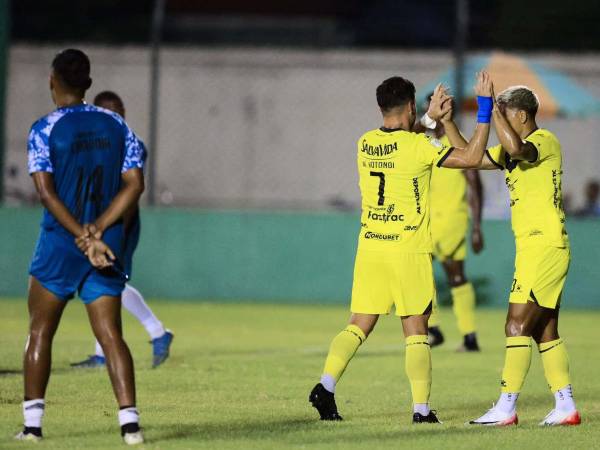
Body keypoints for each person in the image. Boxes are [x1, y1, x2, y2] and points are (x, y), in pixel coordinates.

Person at [308, 72, 494, 423]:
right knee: (417, 328)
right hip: (408, 249)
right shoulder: (420, 147)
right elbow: (471, 158)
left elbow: (401, 139)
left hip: (371, 247)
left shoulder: (365, 143)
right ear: (411, 106)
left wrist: (429, 119)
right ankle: (421, 411)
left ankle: (325, 386)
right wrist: (483, 107)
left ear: (382, 107)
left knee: (358, 324)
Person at [16, 49, 145, 444]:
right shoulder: (116, 123)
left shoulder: (44, 129)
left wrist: (80, 236)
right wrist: (98, 232)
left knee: (40, 331)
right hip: (106, 243)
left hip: (60, 243)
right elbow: (135, 185)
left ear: (52, 81)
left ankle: (33, 427)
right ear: (88, 83)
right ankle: (130, 426)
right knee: (111, 335)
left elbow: (46, 194)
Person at [441, 85, 580, 426]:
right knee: (544, 331)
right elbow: (471, 157)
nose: (497, 120)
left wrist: (491, 109)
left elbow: (518, 148)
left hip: (544, 247)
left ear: (521, 115)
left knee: (515, 325)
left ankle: (506, 407)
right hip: (535, 248)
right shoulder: (508, 150)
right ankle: (566, 406)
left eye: (503, 114)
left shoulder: (544, 141)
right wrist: (447, 123)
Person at [71, 91, 174, 370]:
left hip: (119, 222)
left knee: (108, 281)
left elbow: (131, 190)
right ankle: (147, 336)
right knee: (103, 282)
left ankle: (154, 333)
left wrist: (121, 228)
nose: (116, 116)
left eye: (119, 111)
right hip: (98, 221)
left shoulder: (132, 144)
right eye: (109, 112)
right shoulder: (93, 143)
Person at [423, 94, 485, 352]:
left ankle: (436, 330)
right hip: (433, 218)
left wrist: (477, 226)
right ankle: (468, 337)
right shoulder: (426, 141)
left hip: (448, 219)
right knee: (454, 276)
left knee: (425, 271)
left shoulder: (456, 144)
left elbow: (475, 184)